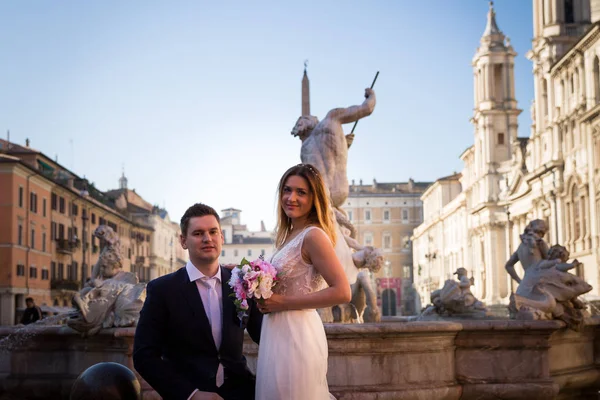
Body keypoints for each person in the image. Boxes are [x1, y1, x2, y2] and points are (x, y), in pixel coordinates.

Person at [133, 203, 263, 400]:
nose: (207, 239)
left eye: (213, 232)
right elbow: (144, 356)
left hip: (242, 393)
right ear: (183, 241)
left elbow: (265, 336)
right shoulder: (162, 290)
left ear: (222, 237)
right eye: (198, 233)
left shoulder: (243, 282)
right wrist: (191, 395)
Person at [255, 164, 352, 400]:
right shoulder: (287, 236)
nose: (291, 198)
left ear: (314, 198)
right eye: (287, 190)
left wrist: (284, 303)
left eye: (301, 192)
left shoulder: (313, 236)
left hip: (298, 332)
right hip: (276, 331)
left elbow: (343, 292)